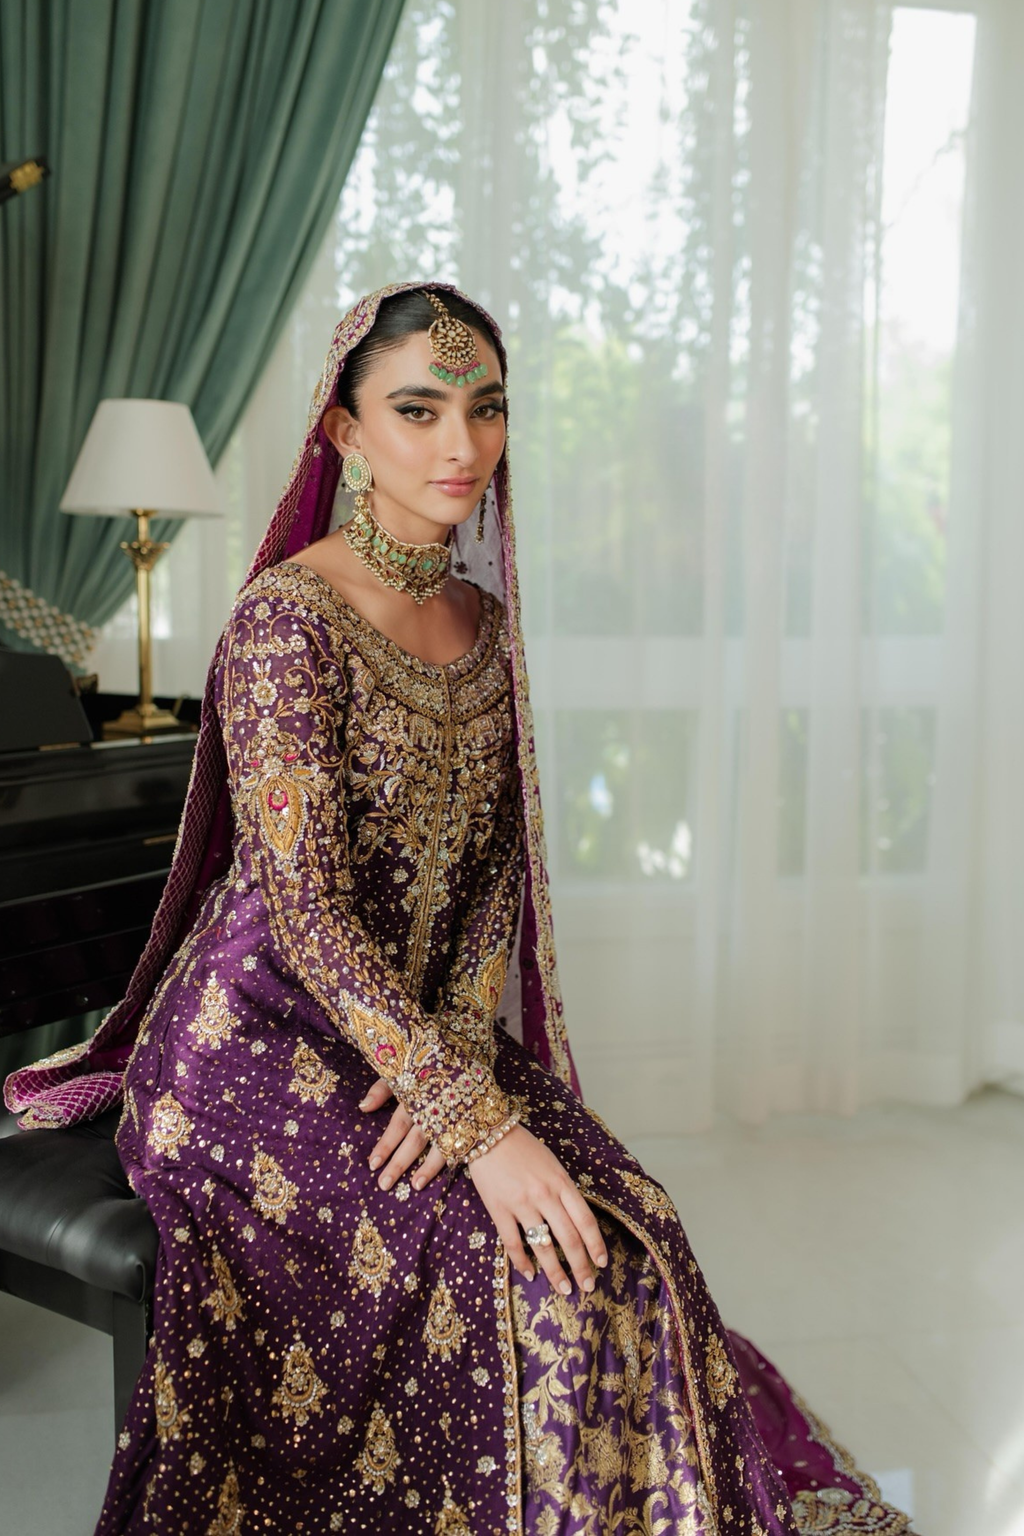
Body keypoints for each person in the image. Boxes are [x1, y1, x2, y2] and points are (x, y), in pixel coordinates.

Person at [5, 284, 911, 1535]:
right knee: (516, 1269)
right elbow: (306, 912)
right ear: (341, 430)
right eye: (417, 410)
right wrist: (469, 1120)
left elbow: (493, 881)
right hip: (254, 1050)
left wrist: (462, 1072)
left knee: (627, 1234)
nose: (460, 446)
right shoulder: (288, 625)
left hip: (415, 1039)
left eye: (484, 409)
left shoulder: (476, 619)